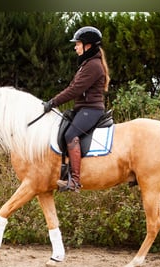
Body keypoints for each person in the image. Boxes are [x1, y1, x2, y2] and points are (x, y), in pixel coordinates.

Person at [43, 26, 110, 192]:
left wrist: (53, 102)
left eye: (78, 44)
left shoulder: (93, 66)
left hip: (91, 110)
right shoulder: (87, 64)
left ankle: (75, 181)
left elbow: (75, 90)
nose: (75, 47)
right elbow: (73, 86)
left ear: (88, 45)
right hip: (83, 109)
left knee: (70, 134)